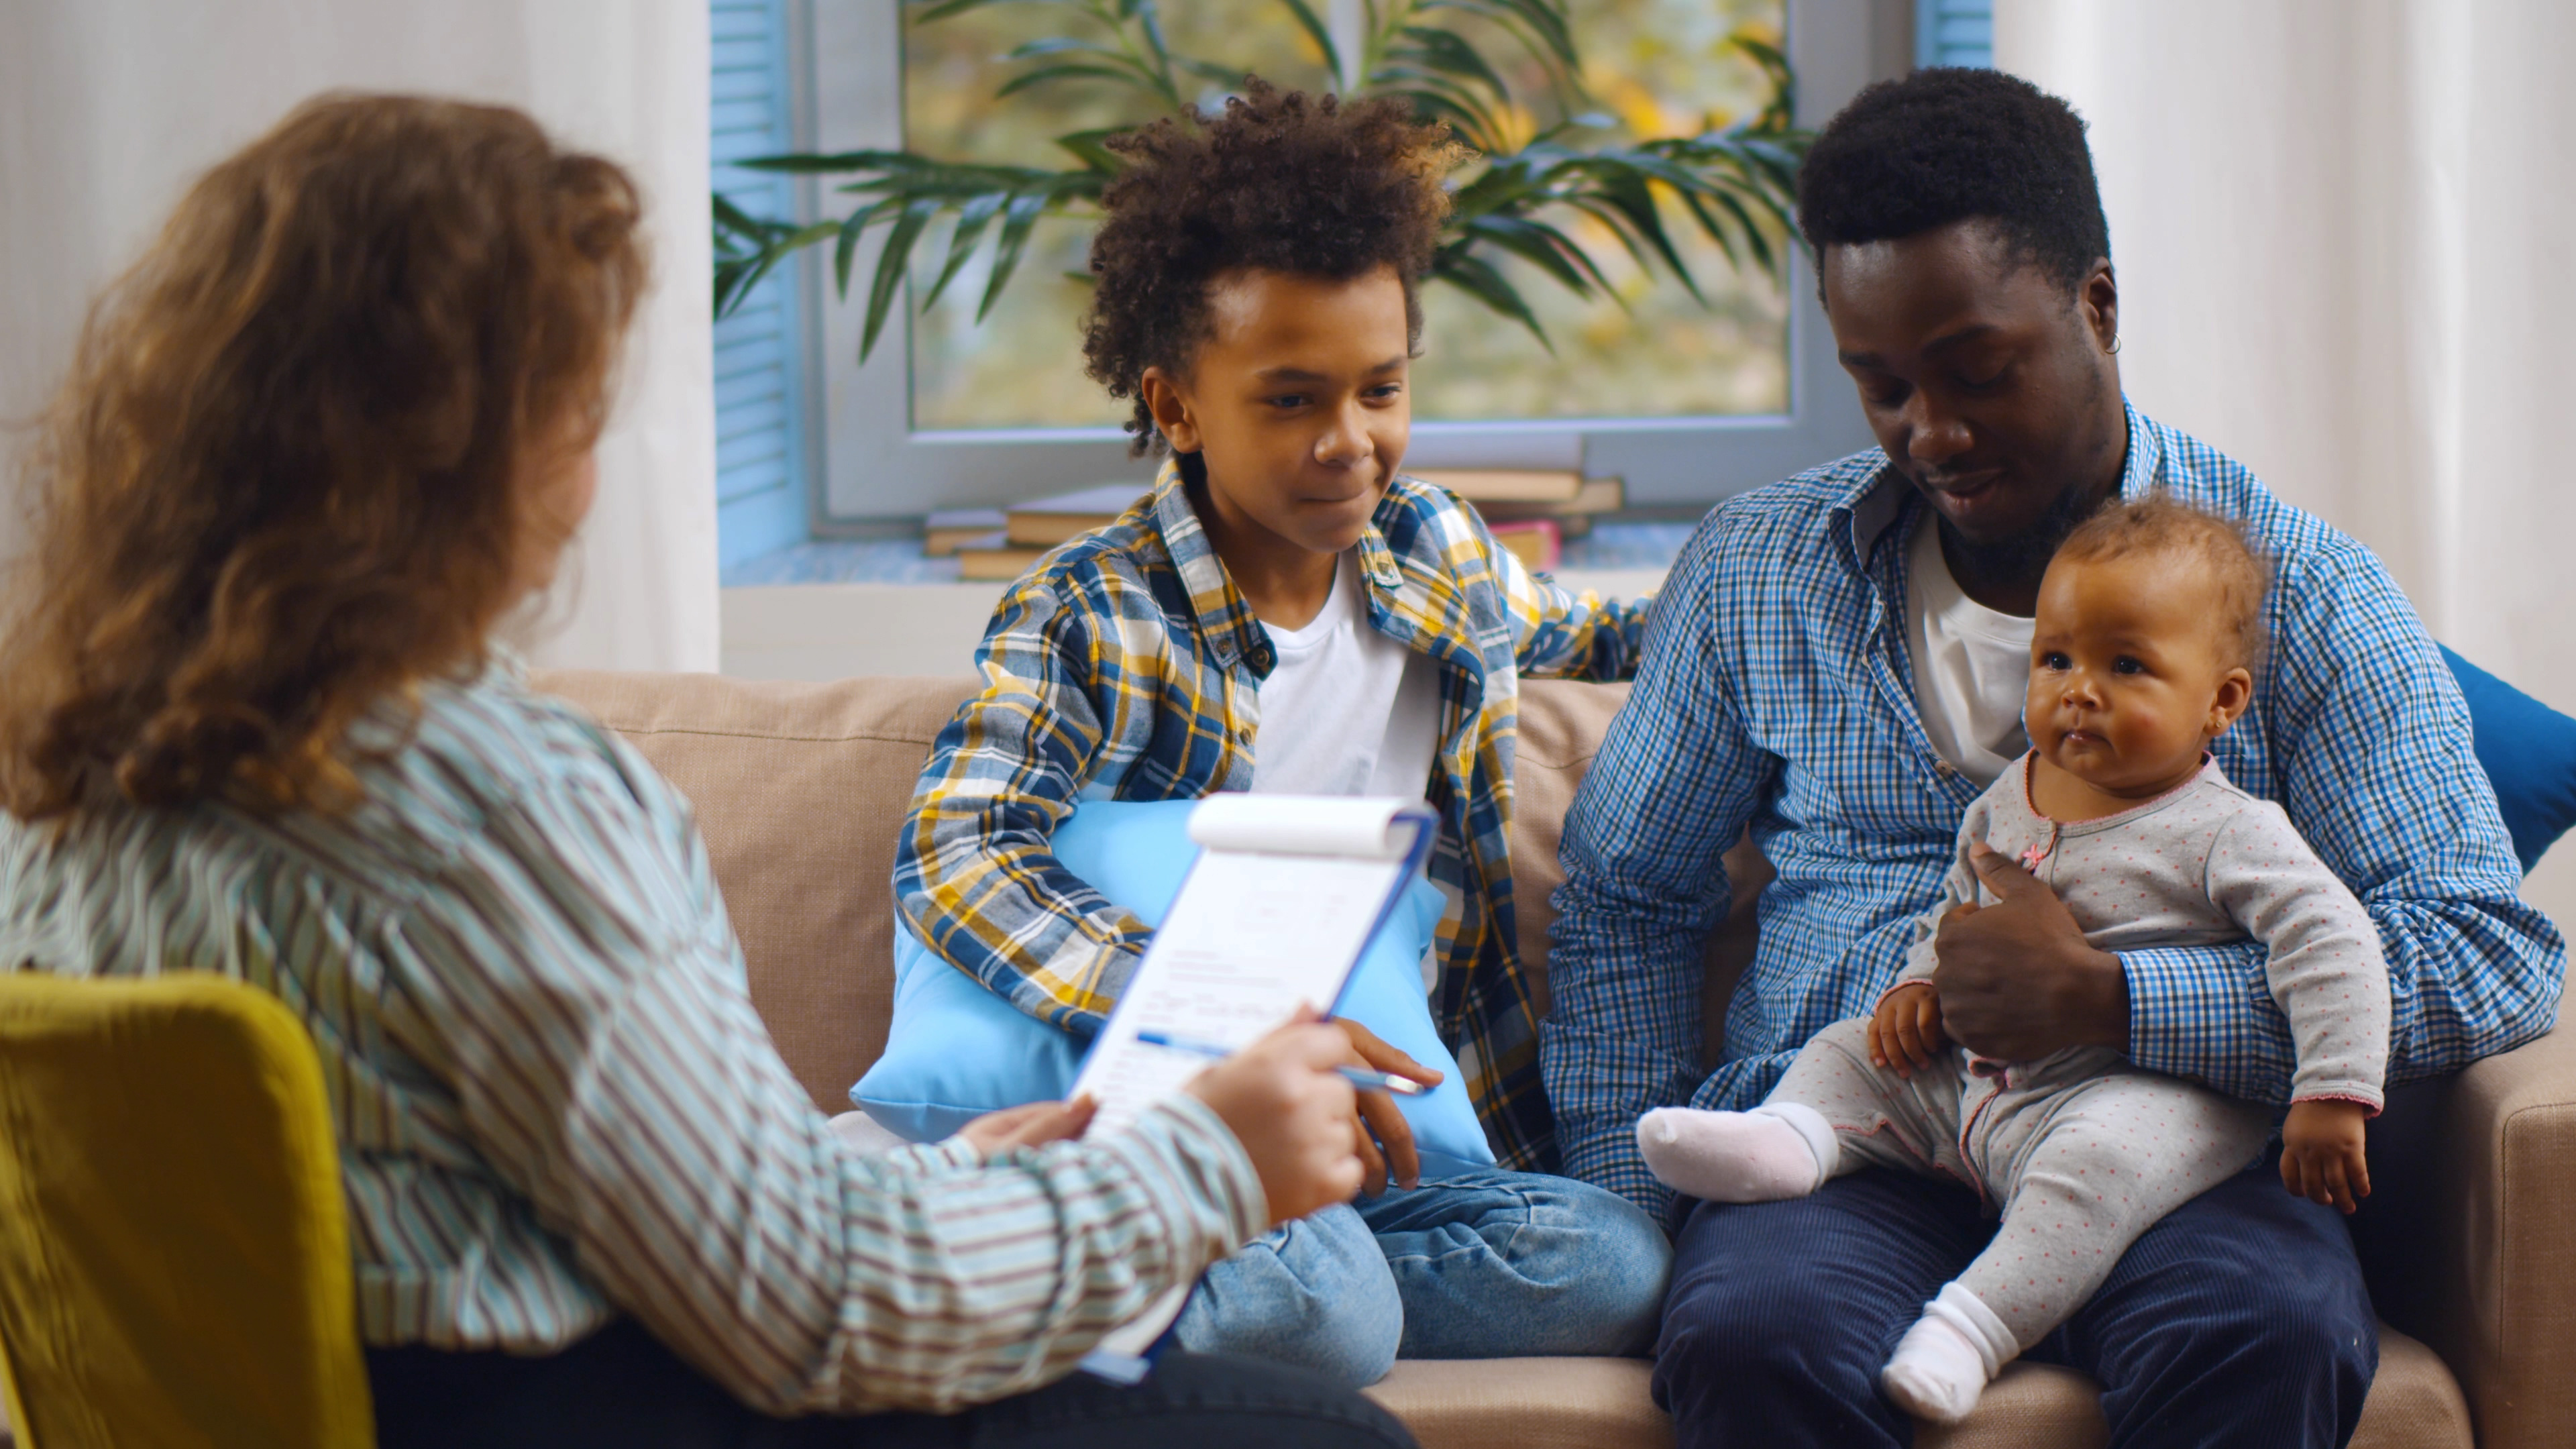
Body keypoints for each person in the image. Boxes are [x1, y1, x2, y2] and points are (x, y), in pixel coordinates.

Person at [0, 93, 1416, 1449]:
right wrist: (1205, 1166)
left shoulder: (63, 802)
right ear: (465, 453)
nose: (590, 467)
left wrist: (980, 1177)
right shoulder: (493, 804)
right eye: (577, 409)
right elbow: (806, 1307)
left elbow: (547, 1216)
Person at [1541, 66, 2563, 1448]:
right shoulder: (1757, 572)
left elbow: (2486, 952)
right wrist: (1629, 1219)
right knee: (1750, 1334)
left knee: (2268, 1329)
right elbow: (1624, 899)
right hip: (1858, 1145)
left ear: (2097, 307)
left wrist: (2118, 1000)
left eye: (1977, 369)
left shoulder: (2303, 592)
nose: (1932, 434)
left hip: (2179, 1151)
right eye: (1881, 384)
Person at [894, 82, 1669, 1389]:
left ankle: (1149, 1286)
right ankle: (1097, 1252)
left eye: (1380, 390)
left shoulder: (1439, 552)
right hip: (1167, 1130)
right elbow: (954, 849)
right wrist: (1207, 1009)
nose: (1349, 443)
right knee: (1338, 1322)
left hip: (1369, 1155)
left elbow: (1597, 638)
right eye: (1292, 399)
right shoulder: (1091, 610)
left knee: (1614, 1262)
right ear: (1180, 404)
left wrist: (1820, 592)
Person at [1635, 496, 2387, 1424]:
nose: (2079, 690)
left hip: (2131, 1093)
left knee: (2112, 1173)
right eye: (2056, 658)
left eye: (2127, 666)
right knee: (1843, 1053)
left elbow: (2337, 942)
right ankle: (1794, 1138)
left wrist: (2332, 1091)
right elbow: (1957, 913)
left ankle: (1973, 1327)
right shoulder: (2012, 794)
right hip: (1967, 1097)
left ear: (2222, 701)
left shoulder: (2229, 832)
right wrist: (1918, 989)